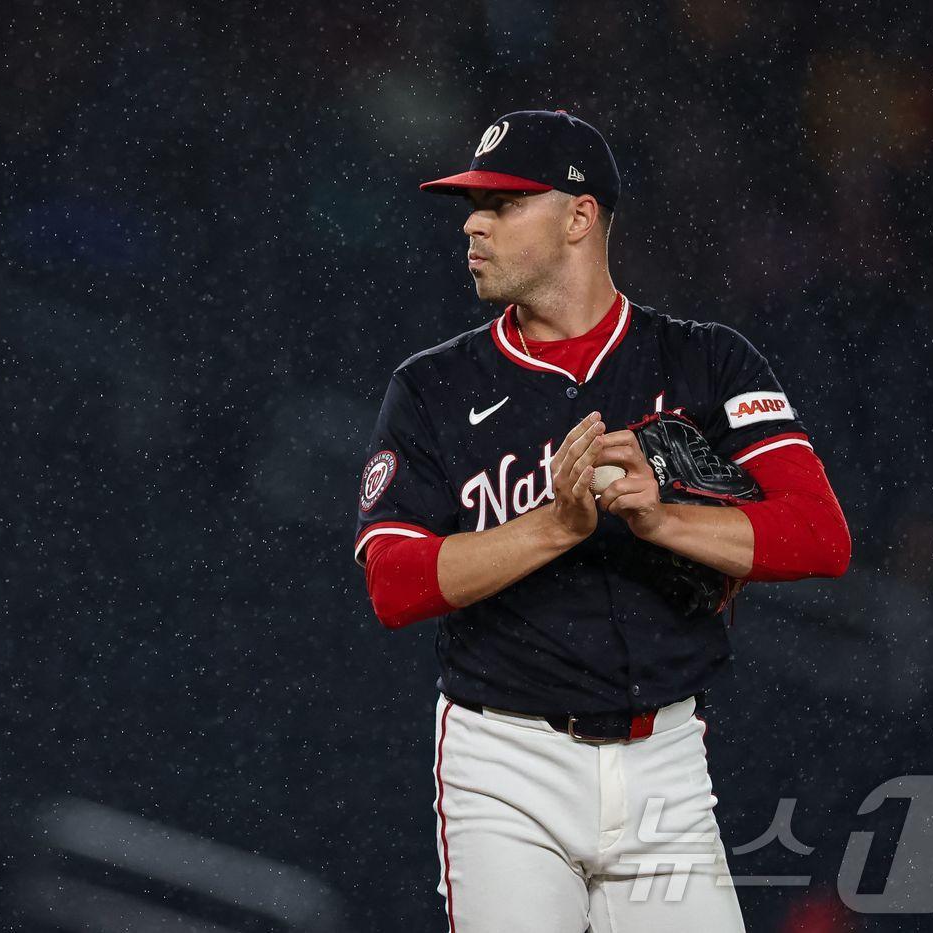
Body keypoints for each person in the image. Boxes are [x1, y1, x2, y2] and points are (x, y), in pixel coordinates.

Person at [351, 110, 851, 932]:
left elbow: (822, 540)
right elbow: (394, 586)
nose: (474, 222)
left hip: (668, 758)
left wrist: (661, 518)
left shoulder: (706, 362)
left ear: (580, 216)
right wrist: (557, 524)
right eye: (472, 204)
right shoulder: (433, 386)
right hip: (504, 760)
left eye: (505, 203)